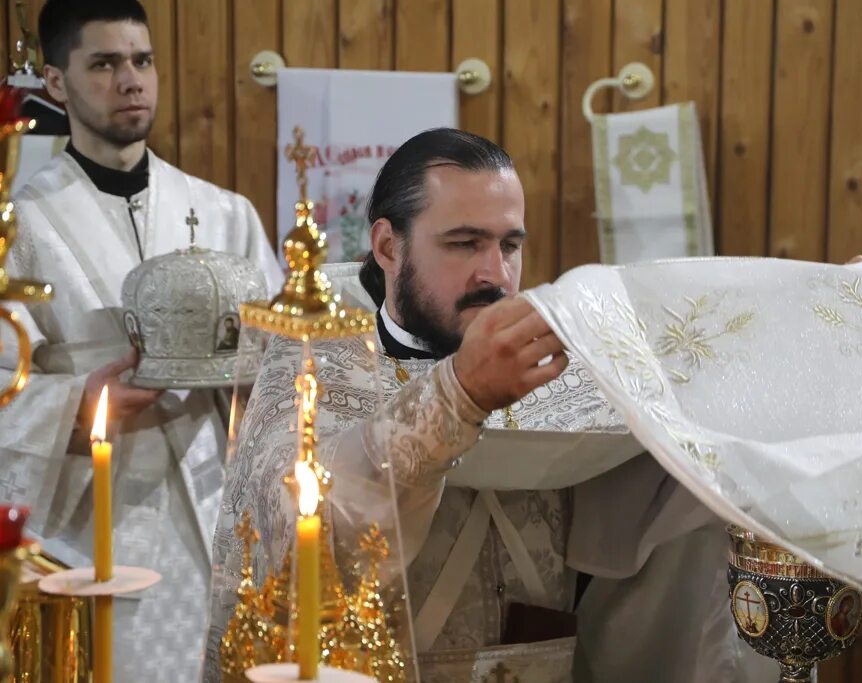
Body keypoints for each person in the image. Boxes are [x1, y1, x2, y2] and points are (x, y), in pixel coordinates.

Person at [205, 128, 776, 683]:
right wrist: (459, 396)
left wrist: (788, 348)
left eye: (510, 245)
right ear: (387, 247)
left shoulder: (555, 359)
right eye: (464, 243)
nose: (496, 274)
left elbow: (648, 510)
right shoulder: (317, 359)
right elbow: (307, 528)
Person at [0, 1, 281, 681]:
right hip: (95, 521)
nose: (131, 80)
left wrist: (258, 373)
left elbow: (282, 356)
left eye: (142, 61)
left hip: (222, 512)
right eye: (104, 63)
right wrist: (76, 404)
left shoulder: (224, 212)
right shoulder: (21, 225)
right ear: (56, 82)